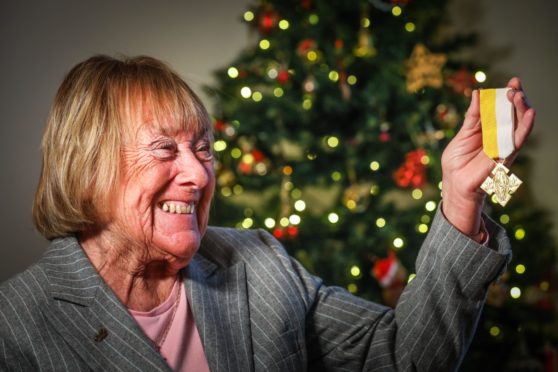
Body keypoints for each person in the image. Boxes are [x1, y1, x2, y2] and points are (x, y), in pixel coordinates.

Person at [0, 55, 534, 371]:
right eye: (165, 149)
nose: (198, 173)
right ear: (87, 166)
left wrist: (462, 198)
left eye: (203, 148)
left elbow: (402, 359)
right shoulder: (14, 325)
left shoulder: (259, 262)